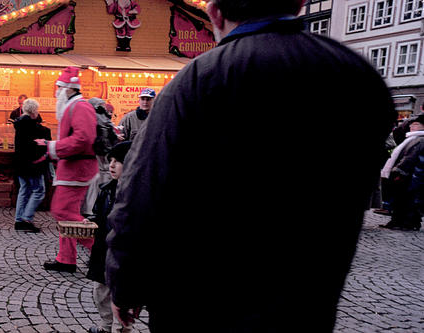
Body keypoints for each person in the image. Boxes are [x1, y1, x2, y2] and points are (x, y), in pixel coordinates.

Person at [104, 1, 396, 331]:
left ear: (214, 13)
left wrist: (125, 283)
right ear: (300, 5)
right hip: (306, 298)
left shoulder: (199, 78)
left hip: (201, 300)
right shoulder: (357, 74)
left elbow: (143, 192)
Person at [38, 66, 98, 273]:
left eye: (58, 87)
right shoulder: (76, 106)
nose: (56, 92)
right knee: (67, 213)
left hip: (77, 168)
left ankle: (100, 250)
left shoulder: (79, 107)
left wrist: (54, 147)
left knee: (63, 211)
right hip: (74, 167)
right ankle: (66, 258)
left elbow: (83, 139)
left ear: (67, 88)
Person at [85, 141, 132, 333]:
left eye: (118, 161)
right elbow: (99, 214)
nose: (111, 165)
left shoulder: (133, 193)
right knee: (100, 291)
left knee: (121, 295)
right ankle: (105, 326)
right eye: (110, 160)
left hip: (122, 253)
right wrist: (92, 222)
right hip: (103, 250)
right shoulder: (105, 190)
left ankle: (121, 329)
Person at [379, 116, 424, 231]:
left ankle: (407, 222)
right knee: (401, 199)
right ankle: (398, 221)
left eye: (415, 124)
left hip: (409, 174)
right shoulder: (412, 138)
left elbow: (411, 158)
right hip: (407, 173)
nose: (411, 126)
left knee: (407, 200)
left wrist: (399, 170)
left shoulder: (420, 139)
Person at [12, 98, 49, 233]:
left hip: (20, 164)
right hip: (32, 165)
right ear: (34, 111)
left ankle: (19, 220)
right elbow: (36, 145)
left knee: (24, 189)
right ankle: (26, 218)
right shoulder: (32, 126)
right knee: (39, 190)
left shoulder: (19, 123)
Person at [81, 97, 117, 217]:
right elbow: (107, 135)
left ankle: (90, 208)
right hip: (102, 152)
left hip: (95, 152)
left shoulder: (91, 116)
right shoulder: (101, 115)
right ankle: (95, 208)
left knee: (94, 181)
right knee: (101, 179)